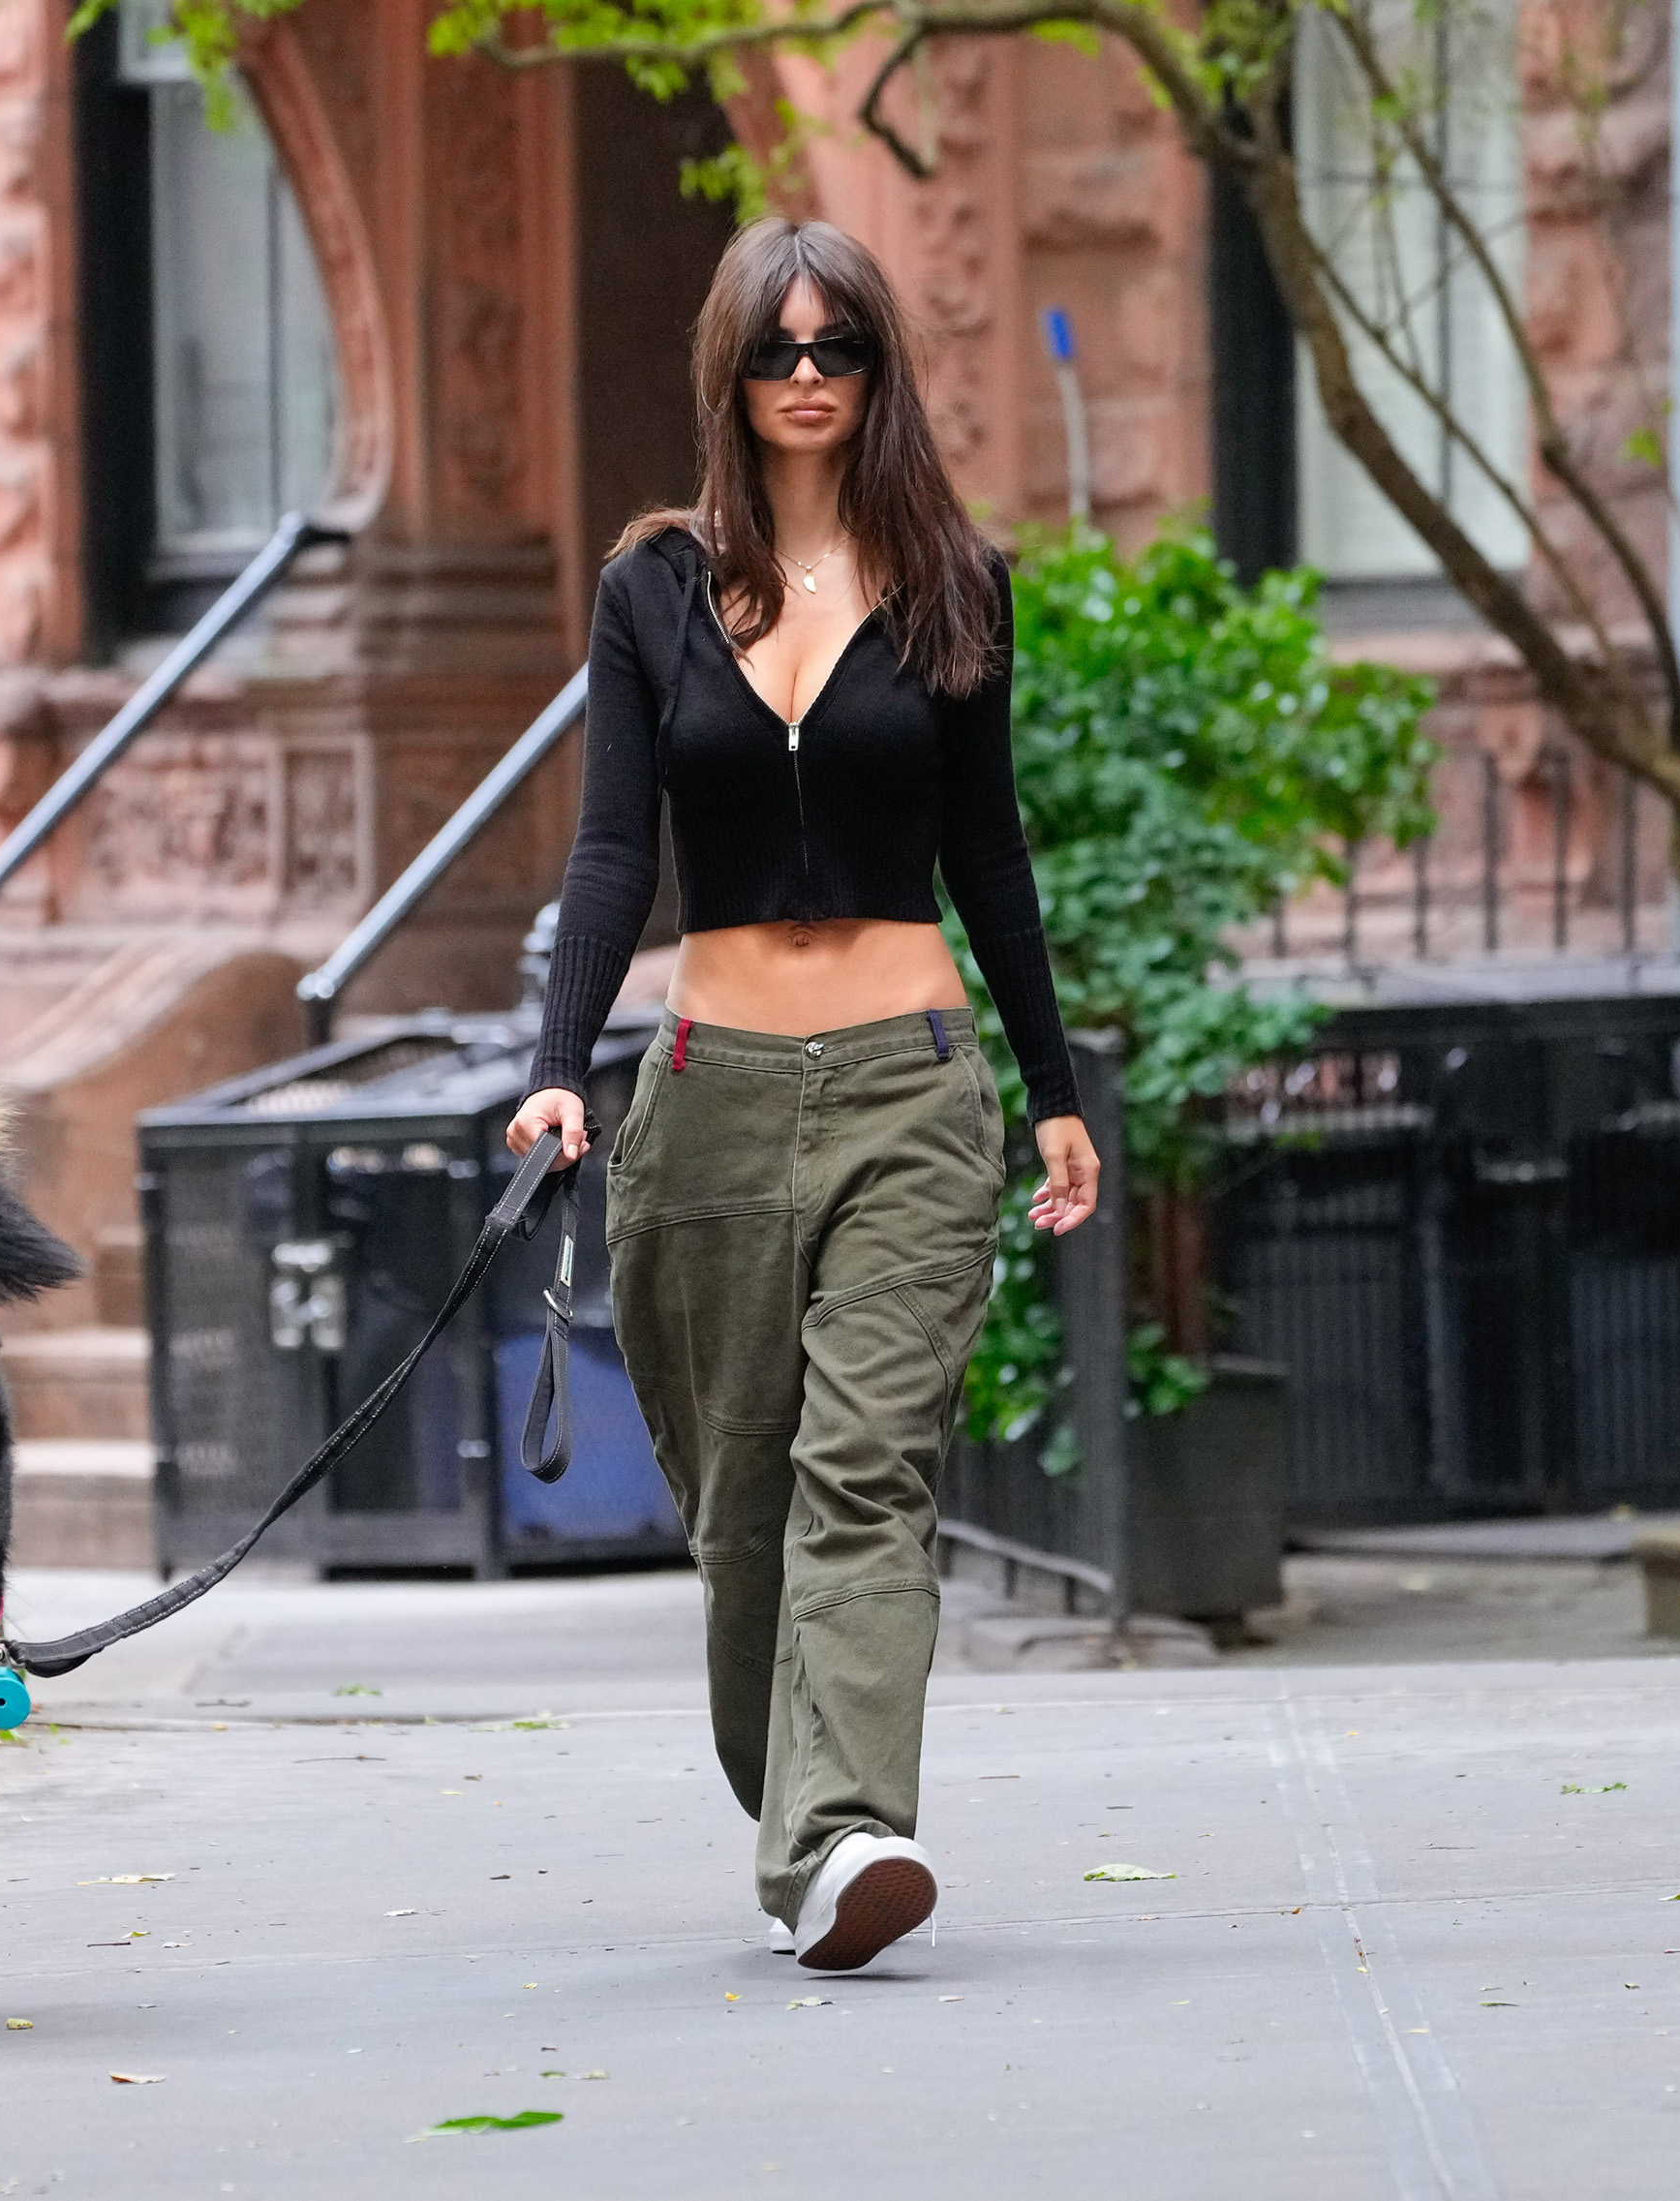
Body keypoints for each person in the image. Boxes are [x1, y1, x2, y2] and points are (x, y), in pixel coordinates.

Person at [504, 216, 1100, 1972]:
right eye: (780, 350)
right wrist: (556, 1071)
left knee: (867, 1463)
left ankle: (846, 1831)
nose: (812, 378)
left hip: (912, 1087)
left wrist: (1053, 1092)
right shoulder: (652, 590)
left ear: (880, 368)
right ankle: (808, 1817)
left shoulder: (954, 585)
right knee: (743, 1497)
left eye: (841, 348)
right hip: (709, 1091)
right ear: (732, 371)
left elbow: (989, 854)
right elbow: (617, 848)